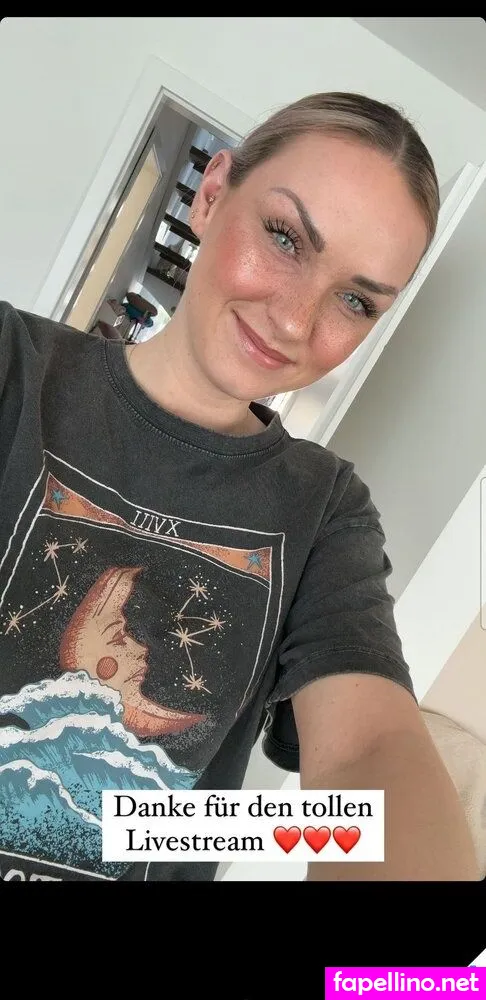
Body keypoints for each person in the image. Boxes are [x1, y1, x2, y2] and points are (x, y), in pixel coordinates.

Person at [0, 92, 479, 882]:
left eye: (355, 300)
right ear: (212, 192)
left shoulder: (324, 509)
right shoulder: (16, 368)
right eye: (285, 238)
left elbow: (368, 750)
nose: (294, 321)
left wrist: (151, 826)